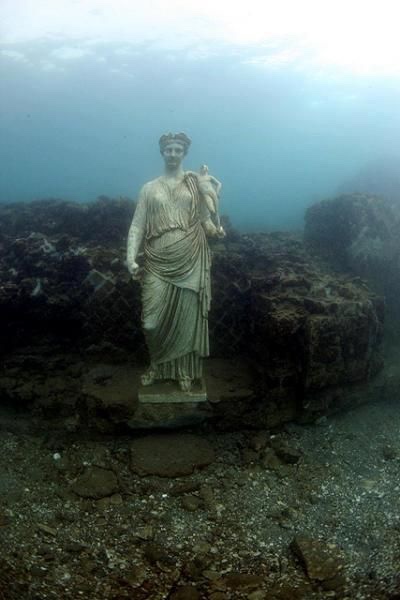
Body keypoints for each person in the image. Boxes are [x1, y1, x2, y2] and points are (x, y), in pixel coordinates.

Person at [126, 132, 224, 392]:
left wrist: (216, 230)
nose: (173, 154)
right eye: (168, 149)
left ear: (184, 153)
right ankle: (157, 364)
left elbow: (205, 219)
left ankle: (184, 370)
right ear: (162, 152)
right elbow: (137, 225)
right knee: (151, 323)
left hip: (189, 256)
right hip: (156, 259)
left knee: (186, 320)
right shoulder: (149, 189)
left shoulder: (194, 183)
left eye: (178, 150)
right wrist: (130, 257)